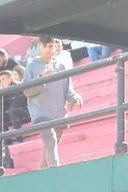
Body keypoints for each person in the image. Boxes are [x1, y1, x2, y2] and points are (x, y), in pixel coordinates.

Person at [24, 36, 83, 170]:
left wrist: (76, 99)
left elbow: (68, 90)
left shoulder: (61, 66)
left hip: (59, 114)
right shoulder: (32, 65)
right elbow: (27, 91)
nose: (50, 49)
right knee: (50, 141)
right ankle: (56, 174)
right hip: (40, 113)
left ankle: (39, 177)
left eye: (52, 46)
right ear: (40, 46)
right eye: (46, 46)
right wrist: (41, 78)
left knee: (50, 146)